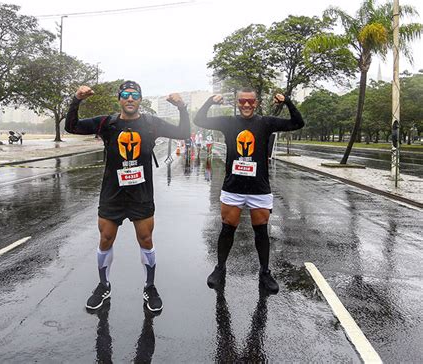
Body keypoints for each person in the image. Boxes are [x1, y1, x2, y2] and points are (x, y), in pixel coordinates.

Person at [65, 81, 190, 312]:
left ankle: (150, 287)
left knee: (146, 240)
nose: (130, 98)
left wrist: (182, 107)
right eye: (125, 94)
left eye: (134, 95)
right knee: (105, 239)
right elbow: (71, 127)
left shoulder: (152, 123)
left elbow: (183, 133)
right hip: (112, 194)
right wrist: (77, 100)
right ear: (119, 98)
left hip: (140, 195)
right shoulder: (106, 122)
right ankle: (103, 285)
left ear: (140, 99)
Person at [194, 88, 304, 293]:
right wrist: (210, 101)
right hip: (233, 187)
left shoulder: (266, 123)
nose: (246, 105)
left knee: (261, 231)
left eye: (251, 101)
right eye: (242, 101)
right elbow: (200, 120)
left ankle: (264, 272)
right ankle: (220, 268)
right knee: (228, 228)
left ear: (256, 102)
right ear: (237, 102)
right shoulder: (228, 122)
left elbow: (298, 123)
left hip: (259, 189)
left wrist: (287, 101)